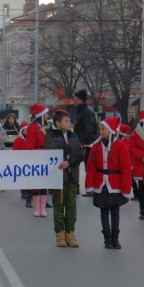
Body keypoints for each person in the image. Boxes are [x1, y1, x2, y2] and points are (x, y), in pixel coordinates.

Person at [85, 117, 132, 249]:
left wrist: (125, 188)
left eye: (103, 129)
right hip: (101, 184)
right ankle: (107, 239)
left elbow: (126, 169)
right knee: (104, 211)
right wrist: (89, 185)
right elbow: (91, 167)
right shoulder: (96, 146)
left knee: (115, 211)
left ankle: (115, 238)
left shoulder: (120, 145)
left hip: (115, 184)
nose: (100, 131)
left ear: (111, 130)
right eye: (100, 129)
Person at [45, 110, 84, 247]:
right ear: (58, 123)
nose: (69, 123)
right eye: (66, 121)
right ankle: (60, 234)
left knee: (71, 207)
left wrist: (69, 162)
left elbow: (80, 154)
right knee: (58, 206)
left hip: (72, 176)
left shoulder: (74, 136)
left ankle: (70, 233)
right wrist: (66, 149)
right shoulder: (50, 136)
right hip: (58, 178)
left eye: (69, 121)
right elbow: (52, 153)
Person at [23, 104, 52, 216]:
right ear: (41, 115)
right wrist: (30, 157)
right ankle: (36, 208)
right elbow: (29, 143)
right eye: (46, 113)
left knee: (44, 181)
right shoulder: (32, 126)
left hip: (46, 154)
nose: (48, 115)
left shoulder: (48, 125)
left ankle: (43, 208)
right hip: (36, 154)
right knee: (36, 182)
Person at [73, 90, 97, 195]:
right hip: (82, 142)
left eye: (75, 99)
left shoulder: (87, 111)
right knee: (76, 164)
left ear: (80, 100)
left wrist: (81, 142)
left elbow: (89, 128)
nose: (73, 102)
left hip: (86, 144)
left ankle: (92, 188)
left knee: (89, 166)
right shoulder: (82, 110)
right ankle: (76, 186)